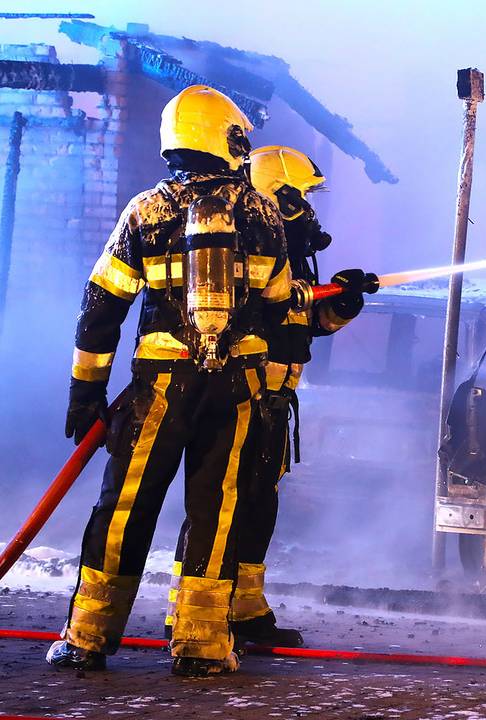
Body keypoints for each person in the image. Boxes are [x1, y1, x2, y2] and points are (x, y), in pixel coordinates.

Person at [47, 85, 290, 677]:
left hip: (159, 388)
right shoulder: (262, 213)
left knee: (126, 506)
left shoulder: (145, 212)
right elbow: (282, 308)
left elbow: (101, 305)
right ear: (227, 139)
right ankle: (202, 645)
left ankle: (88, 637)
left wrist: (87, 390)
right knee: (217, 511)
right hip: (237, 391)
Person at [166, 145, 372, 647]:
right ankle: (191, 614)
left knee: (259, 502)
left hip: (275, 399)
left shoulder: (290, 250)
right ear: (277, 195)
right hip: (242, 393)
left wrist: (342, 304)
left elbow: (305, 327)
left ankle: (245, 607)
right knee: (219, 503)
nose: (310, 208)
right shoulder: (242, 243)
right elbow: (258, 318)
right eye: (302, 197)